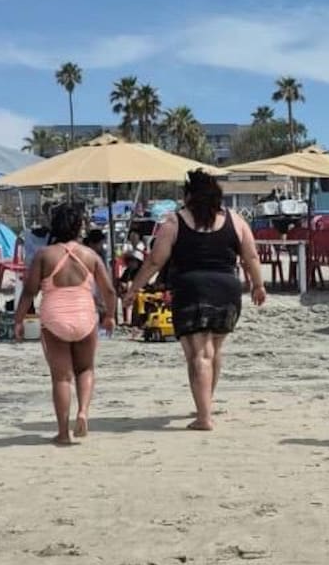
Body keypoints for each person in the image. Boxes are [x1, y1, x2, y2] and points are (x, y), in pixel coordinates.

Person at [123, 169, 266, 431]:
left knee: (199, 354)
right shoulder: (235, 220)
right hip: (227, 291)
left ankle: (204, 417)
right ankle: (205, 404)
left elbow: (155, 261)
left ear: (189, 196)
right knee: (214, 349)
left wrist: (134, 288)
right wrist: (258, 285)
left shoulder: (174, 222)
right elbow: (251, 256)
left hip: (192, 290)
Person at [15, 203, 115, 445]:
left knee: (61, 378)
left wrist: (19, 320)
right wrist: (110, 316)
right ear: (79, 227)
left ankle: (62, 433)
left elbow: (29, 291)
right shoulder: (90, 255)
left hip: (55, 320)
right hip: (85, 317)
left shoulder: (44, 255)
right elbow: (109, 291)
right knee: (86, 369)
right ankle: (83, 412)